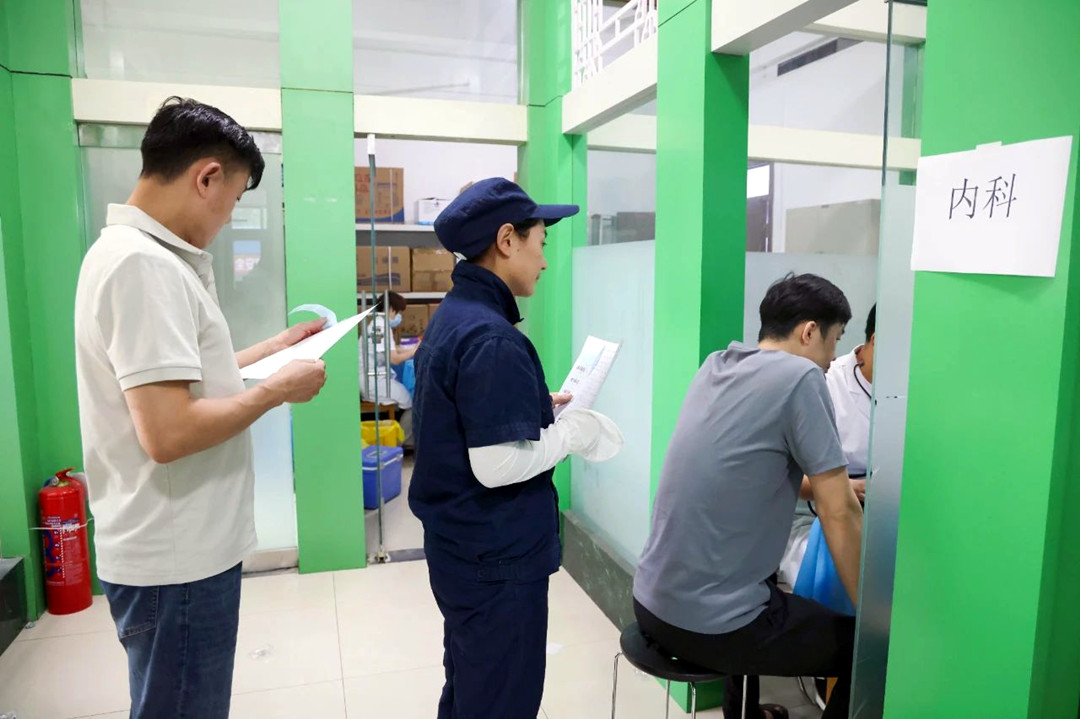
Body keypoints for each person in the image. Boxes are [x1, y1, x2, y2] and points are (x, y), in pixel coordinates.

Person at [74, 97, 328, 719]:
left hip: (174, 552)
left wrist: (271, 350)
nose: (229, 215)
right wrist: (277, 390)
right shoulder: (142, 265)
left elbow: (177, 381)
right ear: (207, 177)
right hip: (176, 560)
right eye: (234, 199)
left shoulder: (131, 254)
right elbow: (168, 431)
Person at [409, 177, 623, 719]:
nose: (544, 261)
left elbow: (462, 417)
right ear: (507, 240)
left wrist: (529, 406)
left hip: (462, 552)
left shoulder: (456, 316)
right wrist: (572, 433)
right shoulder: (492, 337)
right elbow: (496, 463)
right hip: (496, 562)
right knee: (501, 700)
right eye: (540, 243)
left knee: (471, 687)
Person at [633, 273, 864, 719]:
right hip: (711, 625)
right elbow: (838, 513)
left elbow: (748, 470)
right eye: (835, 340)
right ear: (809, 331)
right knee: (865, 649)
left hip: (652, 600)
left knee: (758, 586)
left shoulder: (718, 365)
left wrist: (829, 486)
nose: (833, 358)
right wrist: (874, 620)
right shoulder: (801, 377)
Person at [779, 304, 875, 587]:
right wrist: (847, 488)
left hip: (883, 522)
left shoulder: (915, 392)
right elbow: (785, 476)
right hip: (812, 522)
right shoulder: (825, 383)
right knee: (845, 578)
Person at [360, 290, 418, 443]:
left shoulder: (379, 324)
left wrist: (410, 348)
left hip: (375, 377)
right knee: (414, 401)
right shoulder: (379, 327)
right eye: (397, 312)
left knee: (406, 398)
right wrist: (413, 351)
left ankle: (399, 438)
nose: (397, 316)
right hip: (373, 381)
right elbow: (394, 359)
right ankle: (401, 441)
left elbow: (392, 349)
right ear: (390, 308)